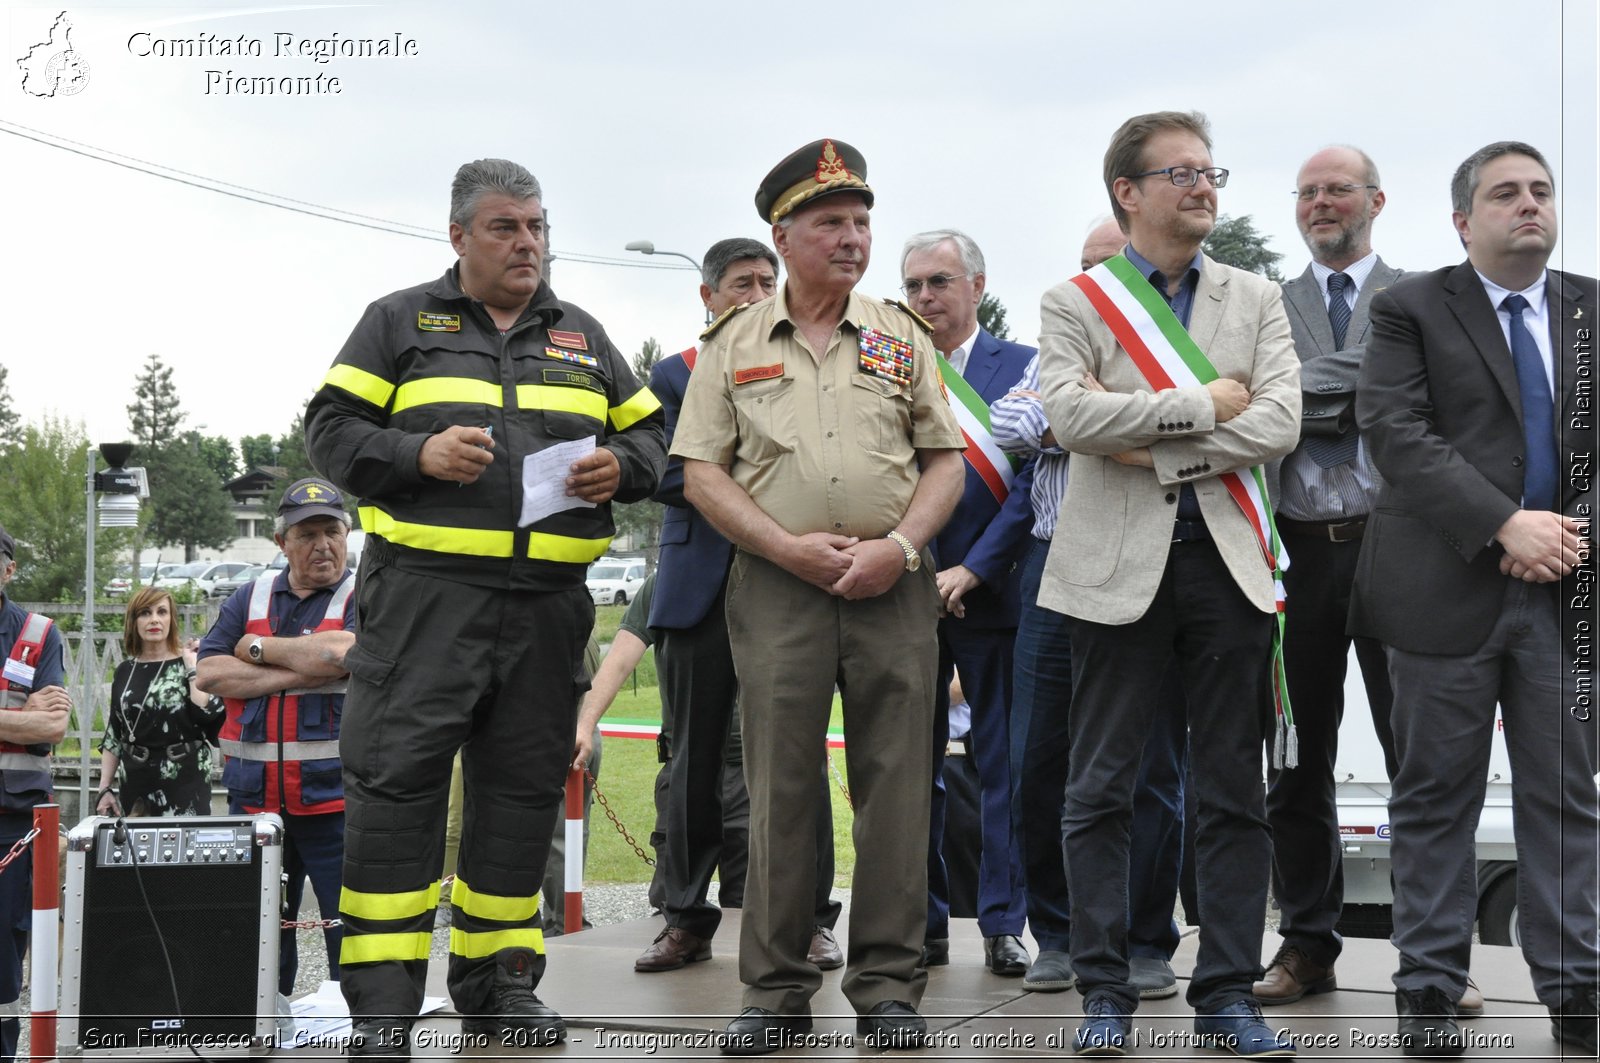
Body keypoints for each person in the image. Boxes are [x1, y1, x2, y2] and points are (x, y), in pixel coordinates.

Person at [304, 157, 665, 1058]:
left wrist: (623, 467)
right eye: (506, 227)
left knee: (521, 799)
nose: (528, 243)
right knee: (396, 797)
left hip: (547, 611)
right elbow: (331, 430)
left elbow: (659, 436)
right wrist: (416, 455)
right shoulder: (399, 323)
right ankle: (382, 1011)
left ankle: (501, 984)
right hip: (424, 606)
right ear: (459, 235)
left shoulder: (582, 334)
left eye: (538, 226)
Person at [672, 138, 965, 1053]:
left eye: (862, 223)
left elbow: (945, 462)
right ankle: (775, 990)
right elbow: (700, 474)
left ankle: (887, 988)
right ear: (783, 233)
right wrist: (786, 548)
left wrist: (902, 546)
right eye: (831, 223)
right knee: (779, 791)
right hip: (777, 591)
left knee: (897, 789)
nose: (853, 239)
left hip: (891, 589)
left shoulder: (899, 333)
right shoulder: (732, 344)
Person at [1037, 110, 1300, 1056]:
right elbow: (1069, 416)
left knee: (1232, 791)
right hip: (1111, 573)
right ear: (1128, 192)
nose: (1202, 185)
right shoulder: (1077, 301)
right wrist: (1200, 402)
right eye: (1180, 172)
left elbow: (1277, 424)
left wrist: (1154, 447)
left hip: (1228, 567)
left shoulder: (1256, 297)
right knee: (1099, 788)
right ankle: (1104, 990)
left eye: (1209, 169)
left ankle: (1226, 992)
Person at [1350, 140, 1597, 1058]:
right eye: (1505, 194)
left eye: (1540, 190)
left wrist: (1569, 535)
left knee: (1567, 797)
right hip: (1442, 592)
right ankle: (1427, 989)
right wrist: (1506, 524)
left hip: (1566, 594)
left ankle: (1577, 989)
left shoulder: (1592, 308)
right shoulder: (1410, 307)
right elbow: (1396, 431)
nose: (1528, 204)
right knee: (1435, 800)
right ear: (1464, 220)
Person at [991, 215, 1189, 1000]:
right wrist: (1106, 417)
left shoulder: (1178, 357)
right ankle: (1061, 934)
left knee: (1151, 767)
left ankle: (1146, 939)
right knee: (1039, 756)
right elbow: (1012, 420)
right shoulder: (1061, 346)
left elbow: (1205, 428)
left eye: (1112, 268)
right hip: (1053, 562)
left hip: (1148, 562)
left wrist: (1095, 417)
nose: (1095, 282)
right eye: (1085, 267)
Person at [635, 238, 842, 975]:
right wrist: (747, 479)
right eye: (741, 283)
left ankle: (811, 918)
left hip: (790, 587)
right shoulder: (673, 375)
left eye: (767, 280)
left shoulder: (806, 365)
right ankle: (685, 916)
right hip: (699, 591)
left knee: (797, 756)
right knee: (691, 761)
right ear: (708, 297)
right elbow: (660, 471)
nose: (756, 293)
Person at [1254, 146, 1410, 1009]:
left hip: (1399, 553)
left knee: (1418, 756)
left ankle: (1433, 955)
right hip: (1295, 554)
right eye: (1307, 191)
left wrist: (1285, 393)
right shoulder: (1264, 304)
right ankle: (1308, 943)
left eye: (1337, 189)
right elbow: (1242, 392)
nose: (1320, 202)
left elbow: (1391, 391)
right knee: (1295, 760)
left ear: (1376, 200)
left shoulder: (1425, 298)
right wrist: (1345, 392)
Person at [900, 228, 1033, 978]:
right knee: (908, 767)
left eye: (941, 282)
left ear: (977, 287)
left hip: (996, 596)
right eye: (915, 285)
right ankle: (920, 923)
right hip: (907, 594)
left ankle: (1004, 923)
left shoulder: (1025, 366)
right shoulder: (885, 370)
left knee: (1001, 767)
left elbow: (1030, 488)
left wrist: (975, 570)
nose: (926, 298)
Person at [197, 478, 357, 999]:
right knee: (258, 935)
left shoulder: (365, 594)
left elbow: (345, 653)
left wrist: (257, 649)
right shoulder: (250, 595)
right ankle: (264, 1028)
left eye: (332, 531)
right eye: (307, 534)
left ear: (347, 533)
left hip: (335, 802)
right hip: (255, 804)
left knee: (349, 936)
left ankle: (356, 1032)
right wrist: (304, 666)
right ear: (281, 541)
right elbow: (213, 675)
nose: (322, 546)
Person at [0, 523, 70, 1063]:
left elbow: (50, 729)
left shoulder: (40, 633)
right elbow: (29, 721)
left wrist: (31, 721)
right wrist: (15, 716)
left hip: (12, 822)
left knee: (4, 952)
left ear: (10, 568)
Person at [96, 586, 222, 818]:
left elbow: (205, 713)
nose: (154, 619)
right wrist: (104, 787)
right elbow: (115, 732)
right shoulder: (125, 671)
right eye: (145, 613)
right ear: (133, 621)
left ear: (171, 619)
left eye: (161, 612)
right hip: (134, 782)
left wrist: (193, 667)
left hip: (185, 779)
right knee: (134, 852)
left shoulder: (189, 663)